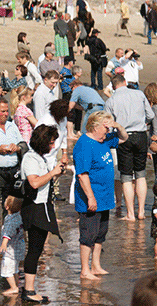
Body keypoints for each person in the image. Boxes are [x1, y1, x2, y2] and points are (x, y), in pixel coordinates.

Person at [73, 111, 128, 280]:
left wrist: (117, 125)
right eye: (105, 127)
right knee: (88, 234)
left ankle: (95, 265)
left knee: (100, 233)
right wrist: (90, 197)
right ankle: (85, 270)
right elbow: (82, 175)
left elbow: (124, 138)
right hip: (91, 198)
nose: (108, 131)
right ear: (95, 126)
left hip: (104, 197)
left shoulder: (104, 140)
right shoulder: (84, 144)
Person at [19, 125, 66, 304]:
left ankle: (29, 289)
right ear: (42, 142)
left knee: (36, 250)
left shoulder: (40, 158)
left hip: (43, 206)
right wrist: (52, 172)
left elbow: (43, 181)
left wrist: (56, 174)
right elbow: (34, 182)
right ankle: (29, 290)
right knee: (34, 250)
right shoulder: (30, 158)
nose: (53, 146)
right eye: (51, 142)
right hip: (35, 208)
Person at [105, 74, 154, 221]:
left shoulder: (111, 100)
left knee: (126, 176)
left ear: (113, 87)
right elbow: (150, 115)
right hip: (140, 135)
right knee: (140, 174)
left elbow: (108, 123)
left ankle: (130, 214)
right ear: (125, 82)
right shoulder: (139, 94)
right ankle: (141, 212)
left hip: (123, 136)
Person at [0, 196, 24, 296]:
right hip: (19, 247)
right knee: (15, 268)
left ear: (7, 207)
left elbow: (8, 234)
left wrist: (3, 245)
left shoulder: (10, 221)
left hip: (11, 250)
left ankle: (13, 288)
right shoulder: (18, 217)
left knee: (6, 269)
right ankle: (16, 285)